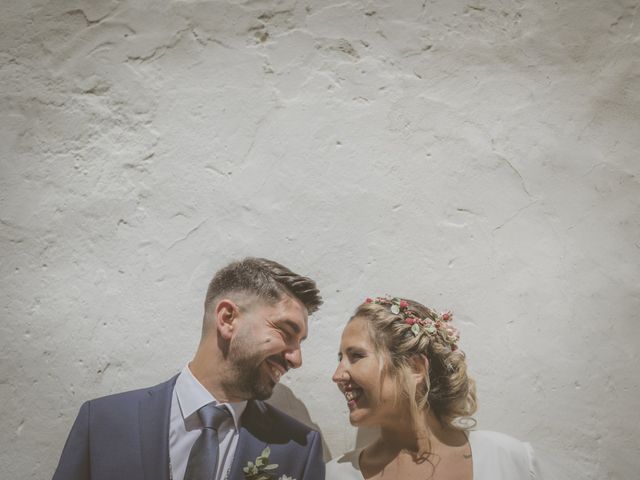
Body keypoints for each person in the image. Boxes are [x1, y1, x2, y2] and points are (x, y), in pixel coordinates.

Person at [53, 257, 325, 480]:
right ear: (227, 318)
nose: (296, 359)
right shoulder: (103, 422)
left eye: (300, 342)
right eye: (286, 332)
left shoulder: (298, 449)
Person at [327, 296, 543, 479]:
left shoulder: (507, 460)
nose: (337, 376)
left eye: (356, 356)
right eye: (340, 358)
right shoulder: (334, 475)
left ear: (415, 368)